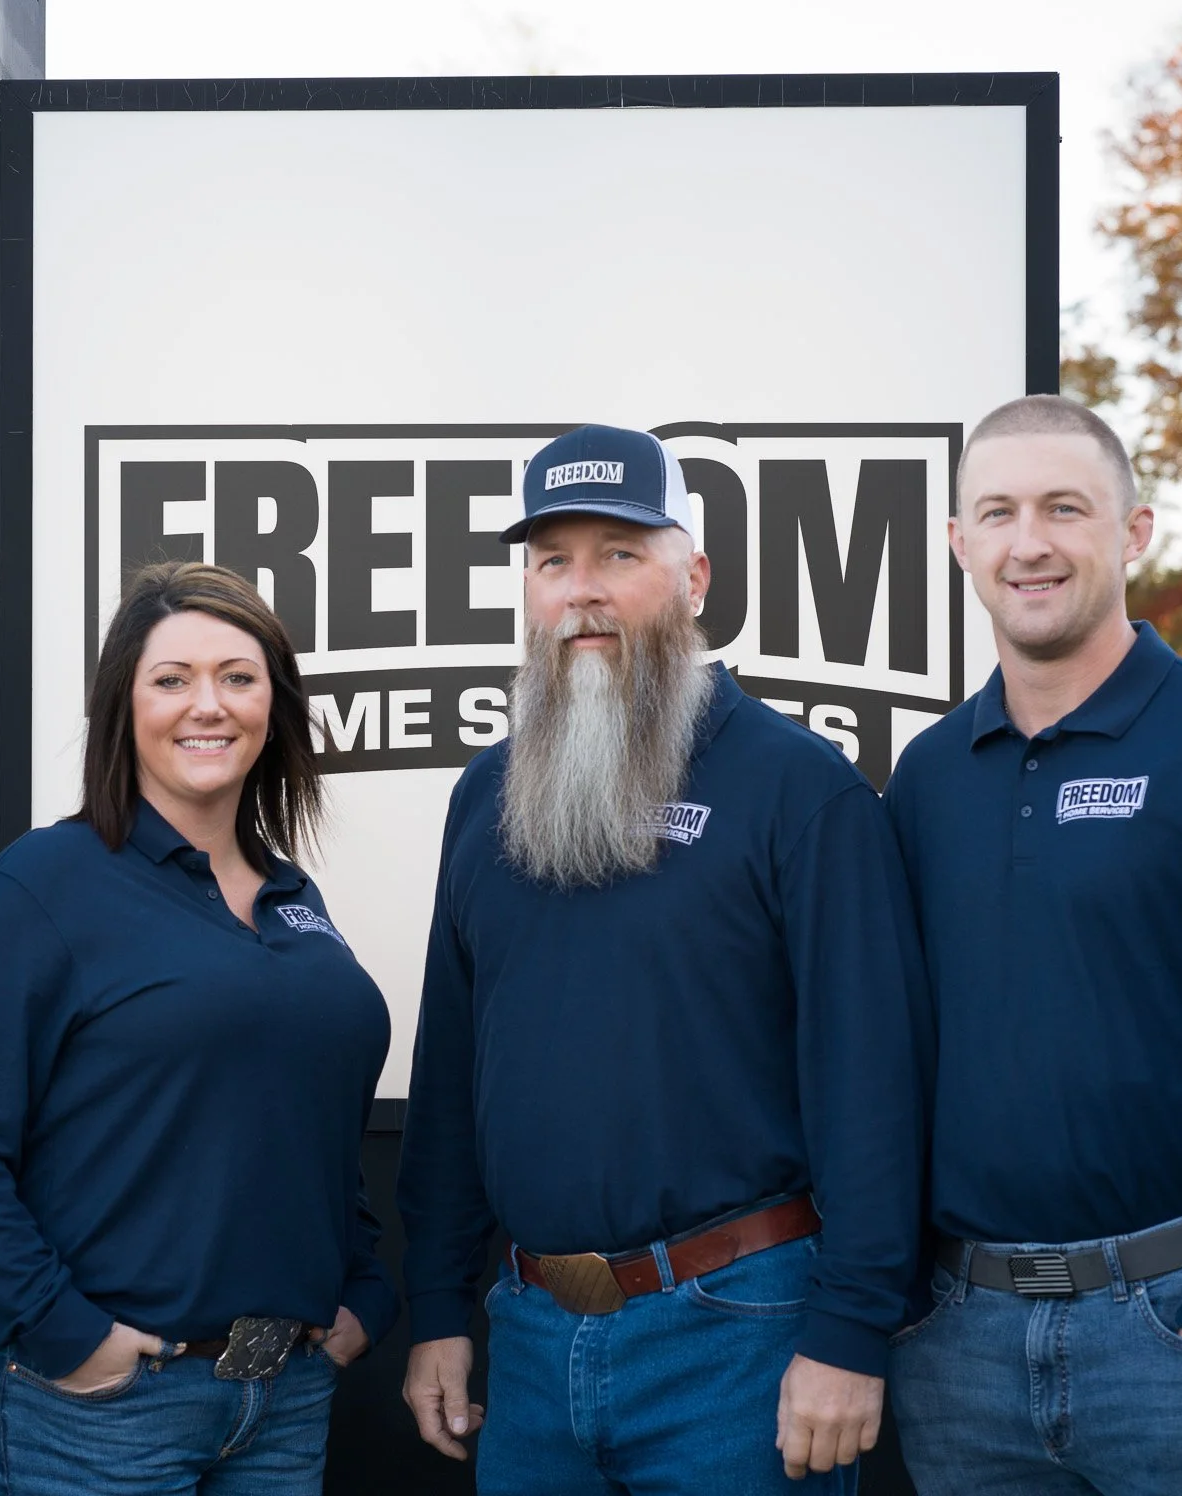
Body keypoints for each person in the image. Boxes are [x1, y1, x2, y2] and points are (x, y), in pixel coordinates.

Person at [396, 424, 931, 1494]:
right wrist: (432, 1313)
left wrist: (850, 1332)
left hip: (740, 1339)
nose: (581, 591)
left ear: (691, 577)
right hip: (532, 1343)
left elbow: (872, 1083)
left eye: (618, 554)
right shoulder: (483, 794)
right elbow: (454, 1076)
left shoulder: (798, 790)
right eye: (553, 561)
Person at [881, 395, 1182, 1495]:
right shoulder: (925, 779)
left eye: (1065, 508)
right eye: (996, 513)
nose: (1029, 542)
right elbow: (888, 1048)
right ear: (958, 543)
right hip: (960, 1351)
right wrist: (911, 1298)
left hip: (1180, 1342)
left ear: (1133, 531)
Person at [0, 560, 397, 1496]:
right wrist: (67, 1335)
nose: (208, 705)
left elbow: (305, 1117)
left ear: (273, 706)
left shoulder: (293, 897)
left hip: (280, 1398)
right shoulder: (36, 891)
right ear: (123, 707)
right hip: (100, 1409)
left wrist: (363, 1285)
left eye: (238, 678)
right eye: (172, 680)